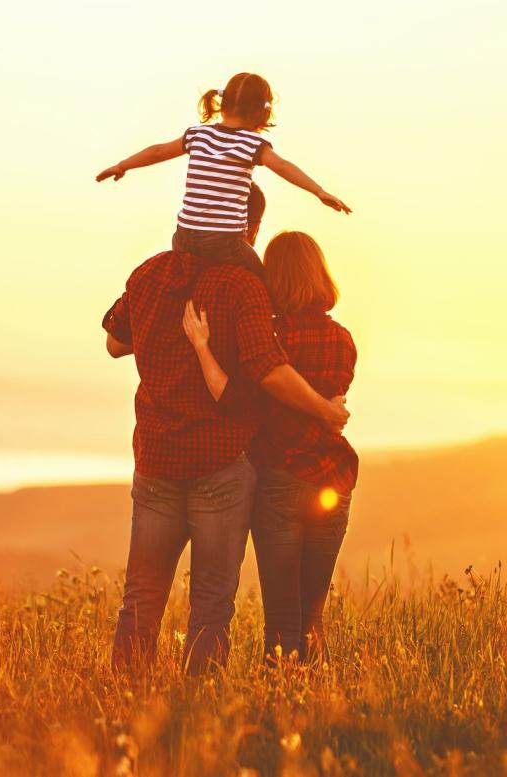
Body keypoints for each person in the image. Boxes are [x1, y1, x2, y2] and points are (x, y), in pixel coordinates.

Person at [101, 194, 350, 676]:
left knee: (142, 592)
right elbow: (267, 369)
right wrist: (323, 409)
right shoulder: (242, 285)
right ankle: (200, 702)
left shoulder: (149, 273)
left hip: (155, 457)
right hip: (220, 463)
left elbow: (115, 343)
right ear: (247, 228)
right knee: (212, 599)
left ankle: (125, 694)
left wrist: (164, 337)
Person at [182, 231, 357, 664]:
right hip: (333, 480)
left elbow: (236, 397)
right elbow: (334, 399)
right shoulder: (343, 340)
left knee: (282, 619)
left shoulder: (269, 341)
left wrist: (203, 348)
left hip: (280, 481)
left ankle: (280, 710)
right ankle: (320, 707)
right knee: (312, 617)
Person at [95, 72, 351, 276]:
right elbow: (283, 166)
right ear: (262, 111)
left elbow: (157, 151)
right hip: (224, 242)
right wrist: (318, 191)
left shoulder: (198, 134)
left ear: (222, 103)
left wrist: (123, 165)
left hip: (184, 237)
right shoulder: (251, 144)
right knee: (260, 281)